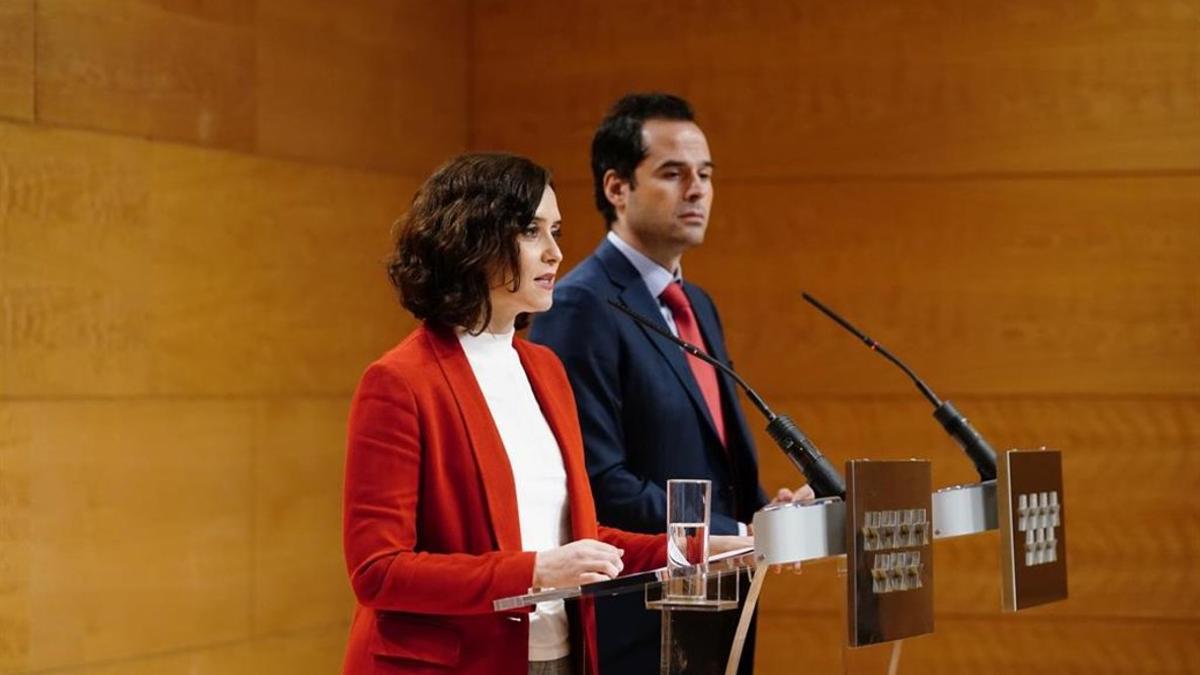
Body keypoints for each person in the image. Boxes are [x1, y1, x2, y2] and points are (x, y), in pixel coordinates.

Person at [341, 152, 749, 675]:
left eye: (555, 230)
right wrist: (535, 571)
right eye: (532, 232)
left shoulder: (545, 369)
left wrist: (692, 548)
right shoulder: (399, 383)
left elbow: (576, 539)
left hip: (561, 655)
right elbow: (379, 572)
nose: (556, 253)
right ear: (471, 238)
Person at [529, 93, 813, 674]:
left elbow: (709, 465)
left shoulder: (697, 305)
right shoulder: (580, 306)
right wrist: (739, 533)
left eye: (705, 174)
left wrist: (767, 514)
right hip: (639, 615)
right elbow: (601, 484)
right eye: (673, 173)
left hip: (716, 599)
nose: (697, 190)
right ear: (616, 188)